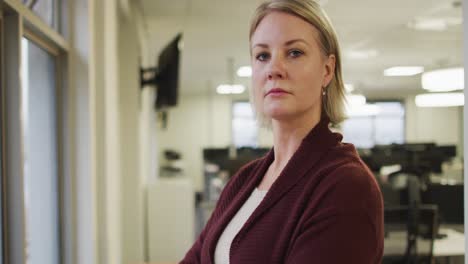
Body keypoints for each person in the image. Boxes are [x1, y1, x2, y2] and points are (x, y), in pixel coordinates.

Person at [181, 0, 384, 263]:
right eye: (262, 55)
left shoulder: (346, 186)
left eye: (295, 52)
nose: (274, 69)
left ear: (327, 69)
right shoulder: (244, 180)